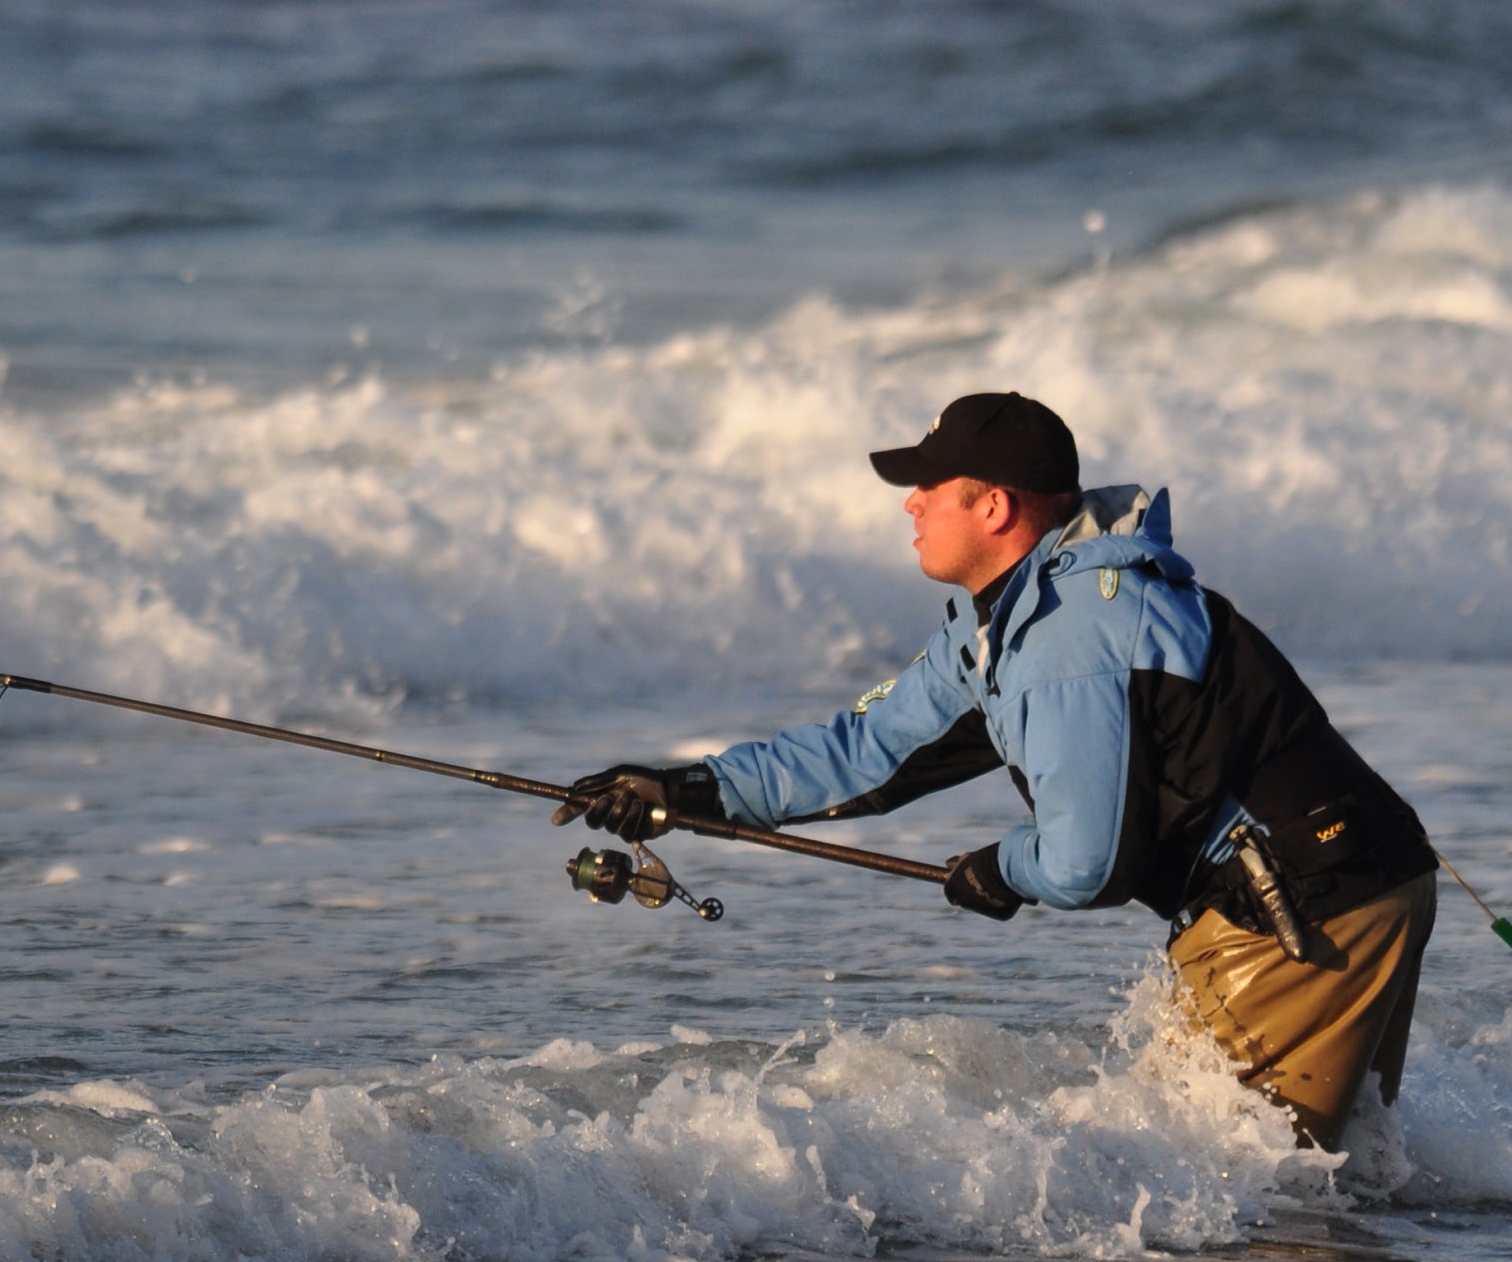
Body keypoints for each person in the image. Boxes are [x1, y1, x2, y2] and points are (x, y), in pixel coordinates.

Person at [554, 392, 1438, 1150]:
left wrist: (997, 869)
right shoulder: (1011, 623)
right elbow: (865, 752)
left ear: (994, 508)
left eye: (928, 488)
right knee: (1317, 1193)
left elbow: (1088, 863)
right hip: (1355, 882)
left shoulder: (1070, 638)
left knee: (1236, 1197)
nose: (911, 506)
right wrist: (681, 792)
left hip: (1300, 907)